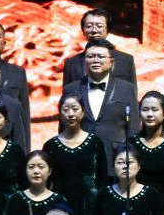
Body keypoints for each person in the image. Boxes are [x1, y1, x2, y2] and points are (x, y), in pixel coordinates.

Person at [58, 40, 139, 168]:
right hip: (80, 161)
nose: (96, 60)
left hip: (115, 160)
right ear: (84, 61)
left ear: (111, 62)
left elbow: (133, 127)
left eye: (101, 57)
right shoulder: (71, 89)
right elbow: (64, 128)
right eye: (91, 56)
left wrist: (131, 159)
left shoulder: (126, 88)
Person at [43, 93, 108, 215]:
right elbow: (47, 184)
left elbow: (102, 179)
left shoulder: (95, 143)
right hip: (61, 207)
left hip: (90, 207)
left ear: (83, 112)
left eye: (75, 109)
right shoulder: (50, 146)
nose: (71, 114)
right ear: (60, 114)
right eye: (66, 110)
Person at [89, 145, 162, 215]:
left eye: (129, 162)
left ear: (139, 166)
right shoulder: (104, 194)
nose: (125, 166)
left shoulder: (151, 194)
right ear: (113, 167)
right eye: (120, 162)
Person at [62, 8, 137, 87]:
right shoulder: (71, 62)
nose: (94, 30)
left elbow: (130, 91)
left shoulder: (126, 61)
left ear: (108, 30)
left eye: (99, 26)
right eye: (89, 26)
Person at [3, 151, 65, 215]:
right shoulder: (16, 199)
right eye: (31, 167)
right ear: (25, 170)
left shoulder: (59, 199)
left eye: (41, 167)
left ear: (50, 171)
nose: (36, 171)